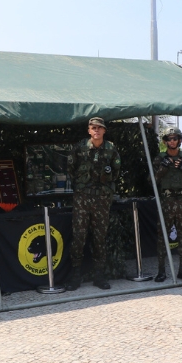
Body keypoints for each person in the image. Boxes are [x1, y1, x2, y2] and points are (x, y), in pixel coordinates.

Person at [66, 117, 121, 290]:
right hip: (82, 199)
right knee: (79, 237)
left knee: (99, 238)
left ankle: (99, 275)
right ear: (89, 130)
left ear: (104, 131)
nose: (96, 130)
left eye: (100, 128)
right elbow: (70, 169)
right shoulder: (80, 148)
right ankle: (76, 275)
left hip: (102, 200)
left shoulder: (111, 149)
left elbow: (116, 172)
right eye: (93, 128)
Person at [153, 127, 182, 282]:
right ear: (165, 141)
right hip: (166, 201)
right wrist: (162, 169)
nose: (172, 141)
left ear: (179, 140)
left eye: (175, 138)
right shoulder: (160, 158)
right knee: (162, 237)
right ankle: (161, 271)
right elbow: (151, 181)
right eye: (169, 138)